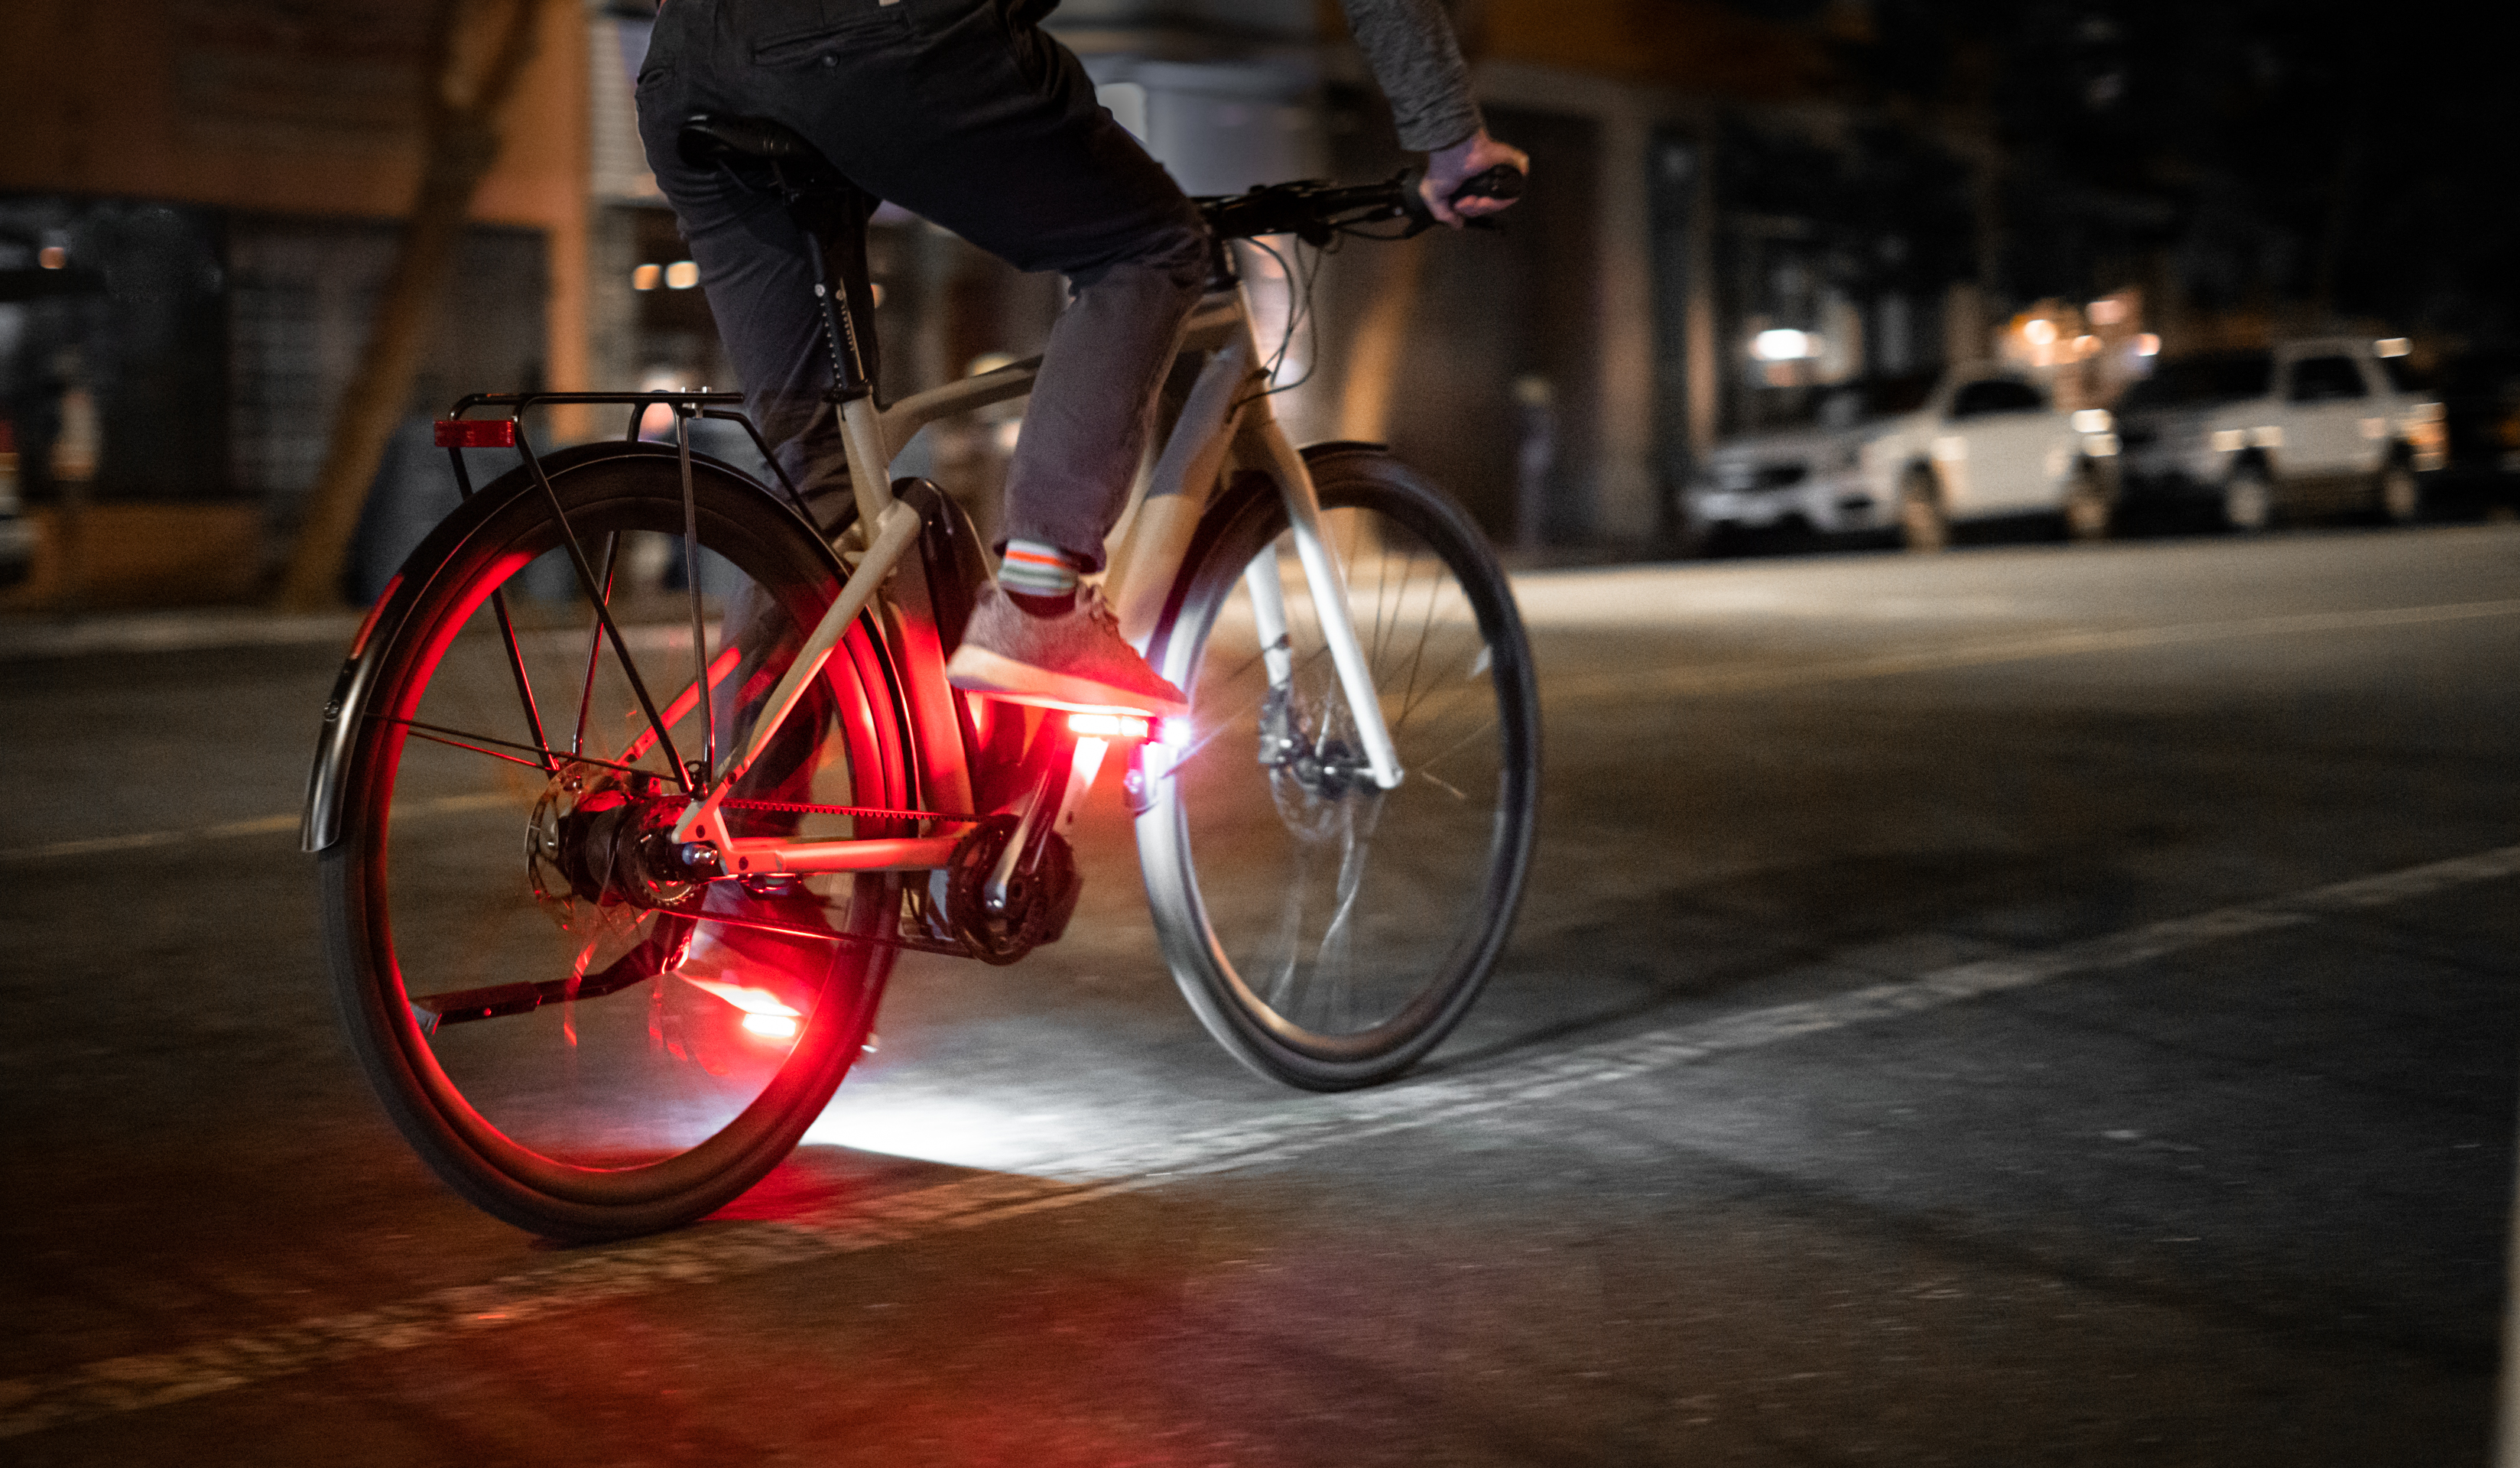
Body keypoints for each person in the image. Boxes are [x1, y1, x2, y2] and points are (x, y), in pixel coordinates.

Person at [635, 0, 1526, 718]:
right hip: (878, 34)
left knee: (815, 481)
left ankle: (726, 850)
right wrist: (1451, 141)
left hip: (689, 61)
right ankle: (1039, 602)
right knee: (1149, 246)